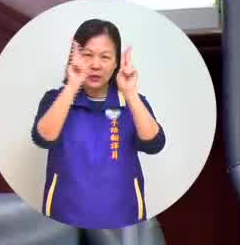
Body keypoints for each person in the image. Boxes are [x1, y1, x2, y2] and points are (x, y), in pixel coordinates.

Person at [32, 18, 166, 230]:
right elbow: (43, 138)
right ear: (74, 57)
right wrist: (72, 86)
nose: (95, 65)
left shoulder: (132, 102)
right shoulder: (56, 99)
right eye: (87, 55)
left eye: (105, 57)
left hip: (123, 218)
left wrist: (130, 93)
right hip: (64, 217)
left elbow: (154, 144)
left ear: (116, 63)